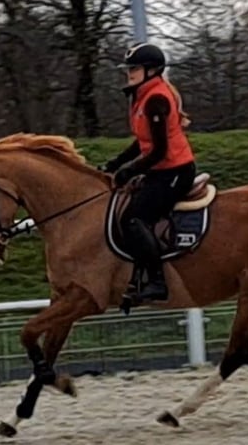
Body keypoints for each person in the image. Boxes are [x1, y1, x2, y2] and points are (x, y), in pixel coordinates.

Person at [101, 42, 197, 303]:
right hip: (161, 170)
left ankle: (157, 282)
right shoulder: (143, 96)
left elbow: (158, 151)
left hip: (175, 171)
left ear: (152, 70)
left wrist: (128, 171)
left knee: (133, 219)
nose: (129, 73)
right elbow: (141, 142)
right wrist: (114, 164)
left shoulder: (156, 99)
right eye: (128, 68)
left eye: (134, 68)